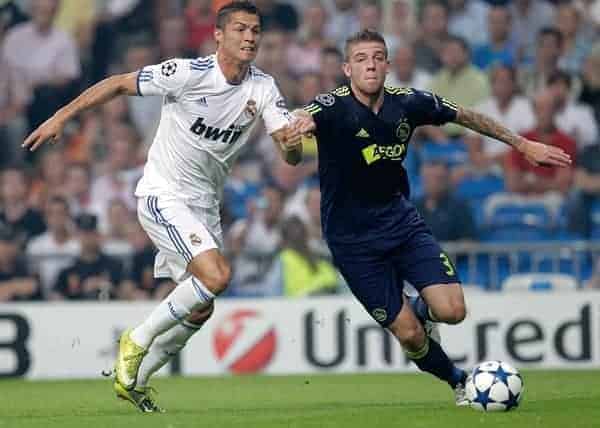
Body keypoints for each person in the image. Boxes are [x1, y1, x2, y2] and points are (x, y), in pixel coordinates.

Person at [22, 1, 303, 413]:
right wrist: (61, 116)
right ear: (219, 35)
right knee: (217, 276)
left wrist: (292, 145)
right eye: (241, 29)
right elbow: (119, 83)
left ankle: (134, 378)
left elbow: (290, 156)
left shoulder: (263, 87)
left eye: (256, 30)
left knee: (202, 305)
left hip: (204, 205)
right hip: (163, 194)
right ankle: (136, 339)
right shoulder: (187, 73)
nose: (250, 37)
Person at [292, 29, 571, 406]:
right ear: (347, 69)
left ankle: (423, 310)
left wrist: (521, 144)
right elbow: (299, 123)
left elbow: (467, 116)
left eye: (377, 56)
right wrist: (292, 133)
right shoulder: (331, 106)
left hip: (400, 223)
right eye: (360, 58)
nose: (370, 64)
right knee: (409, 335)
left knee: (452, 311)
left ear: (388, 65)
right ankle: (460, 382)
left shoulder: (408, 103)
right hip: (352, 241)